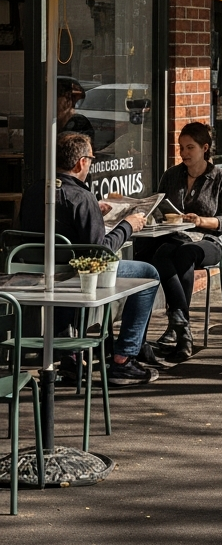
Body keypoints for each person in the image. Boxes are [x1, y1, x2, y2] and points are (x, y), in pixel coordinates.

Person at [20, 132, 161, 386]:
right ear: (81, 163)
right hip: (77, 276)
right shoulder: (81, 197)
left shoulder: (34, 191)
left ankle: (70, 356)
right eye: (91, 159)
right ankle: (123, 359)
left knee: (63, 265)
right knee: (149, 274)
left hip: (39, 272)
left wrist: (94, 208)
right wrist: (127, 225)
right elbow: (100, 253)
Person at [136, 122, 222, 360]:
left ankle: (178, 326)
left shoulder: (220, 178)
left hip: (208, 241)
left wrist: (200, 221)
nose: (184, 153)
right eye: (181, 148)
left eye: (190, 148)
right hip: (175, 236)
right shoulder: (172, 175)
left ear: (205, 148)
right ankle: (182, 328)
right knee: (162, 254)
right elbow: (157, 208)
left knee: (183, 254)